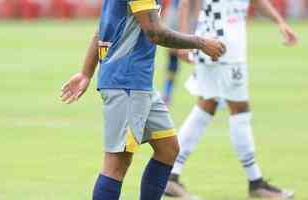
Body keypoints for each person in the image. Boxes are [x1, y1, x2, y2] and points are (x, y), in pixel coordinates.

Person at [60, 0, 225, 200]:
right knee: (116, 164)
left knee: (168, 149)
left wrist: (86, 73)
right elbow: (155, 32)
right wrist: (201, 43)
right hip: (126, 84)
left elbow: (103, 28)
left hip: (139, 84)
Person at [165, 0, 298, 199]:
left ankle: (171, 176)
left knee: (206, 107)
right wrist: (184, 41)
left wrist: (279, 21)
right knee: (240, 110)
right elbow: (186, 2)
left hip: (216, 41)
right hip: (223, 45)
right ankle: (256, 182)